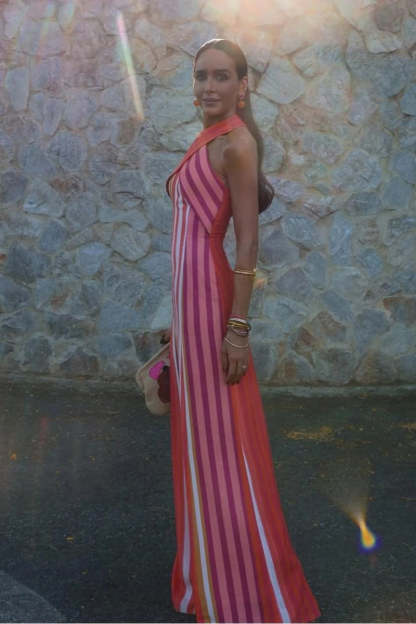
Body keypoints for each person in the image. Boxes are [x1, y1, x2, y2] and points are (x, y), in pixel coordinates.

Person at [161, 38, 320, 624]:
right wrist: (176, 323)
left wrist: (236, 330)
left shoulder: (237, 144)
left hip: (213, 304)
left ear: (242, 85)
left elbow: (247, 243)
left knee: (222, 447)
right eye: (201, 75)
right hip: (189, 307)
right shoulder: (205, 138)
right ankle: (209, 572)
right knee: (199, 447)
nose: (208, 85)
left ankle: (244, 590)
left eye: (221, 76)